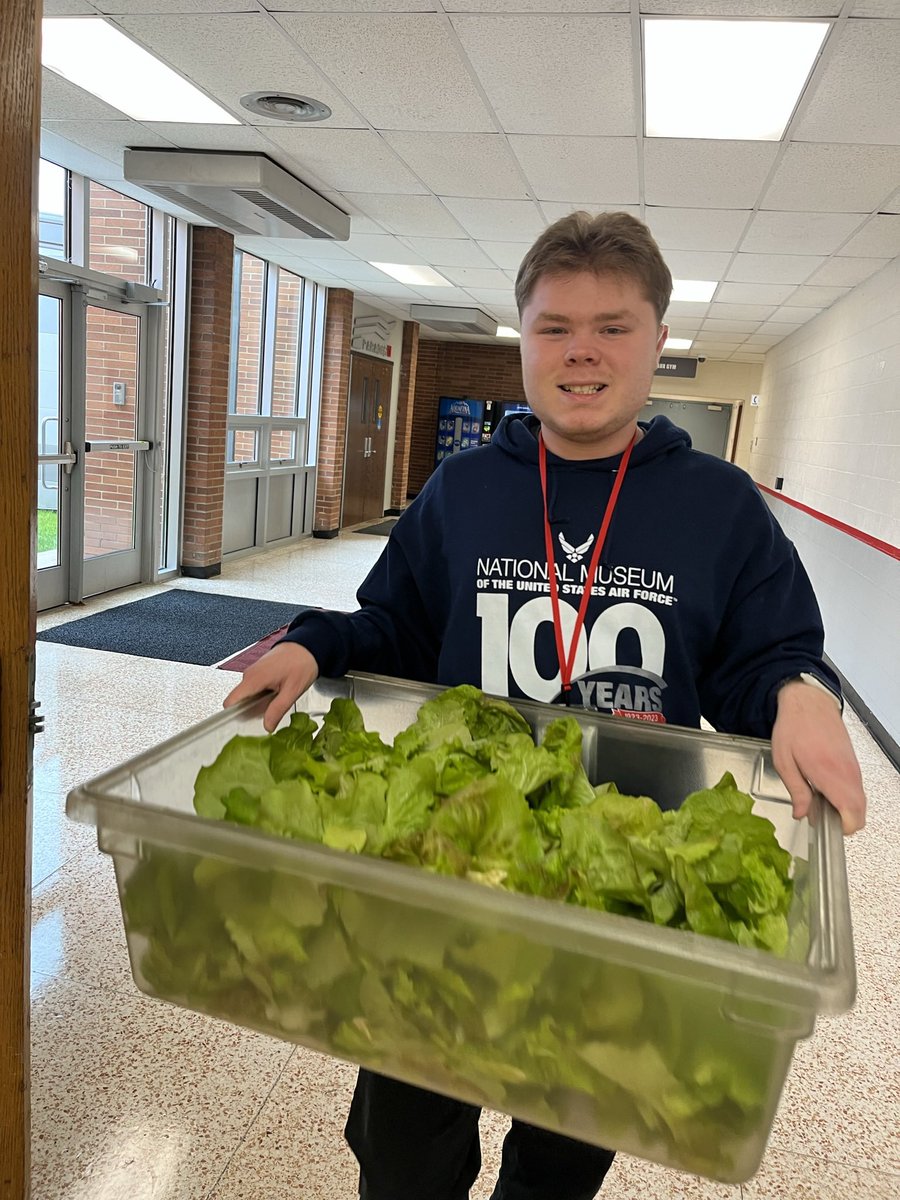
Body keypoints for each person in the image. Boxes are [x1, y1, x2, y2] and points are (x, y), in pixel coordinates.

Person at [224, 210, 866, 1200]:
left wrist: (799, 695)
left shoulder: (722, 505)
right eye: (555, 326)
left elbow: (767, 658)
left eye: (613, 326)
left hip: (620, 880)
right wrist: (314, 645)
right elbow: (396, 625)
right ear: (523, 337)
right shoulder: (464, 487)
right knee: (401, 1142)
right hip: (447, 864)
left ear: (659, 339)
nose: (582, 353)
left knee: (567, 1143)